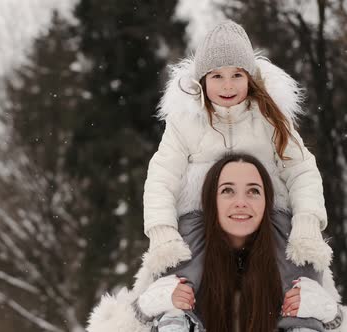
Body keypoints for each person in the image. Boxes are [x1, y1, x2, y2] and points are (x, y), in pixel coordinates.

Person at [139, 20, 332, 330]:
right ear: (202, 80)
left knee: (291, 238)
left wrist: (307, 220)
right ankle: (177, 315)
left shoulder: (270, 118)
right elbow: (162, 176)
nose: (227, 86)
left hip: (264, 208)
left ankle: (300, 315)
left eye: (236, 75)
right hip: (204, 210)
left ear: (250, 78)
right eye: (217, 76)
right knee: (186, 240)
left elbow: (301, 170)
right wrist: (162, 230)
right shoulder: (185, 122)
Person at [134, 154, 342, 331]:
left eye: (253, 191)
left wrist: (327, 312)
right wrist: (152, 304)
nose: (241, 202)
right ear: (211, 201)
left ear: (267, 202)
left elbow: (336, 317)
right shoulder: (184, 246)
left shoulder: (290, 251)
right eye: (227, 191)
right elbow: (119, 319)